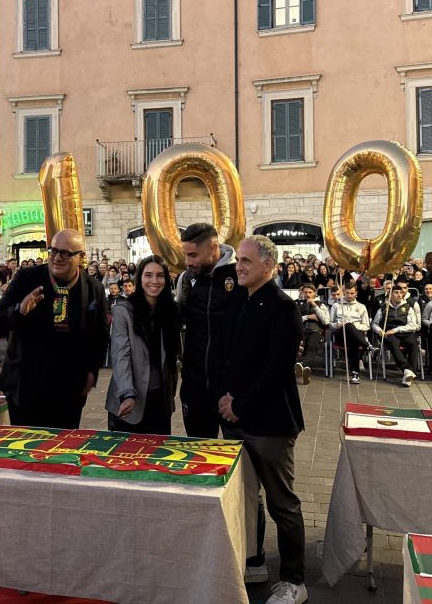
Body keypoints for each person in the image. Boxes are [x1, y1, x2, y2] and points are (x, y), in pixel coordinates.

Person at [216, 235, 307, 604]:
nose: (238, 266)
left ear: (268, 266)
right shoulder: (239, 298)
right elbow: (228, 353)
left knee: (281, 502)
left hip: (269, 423)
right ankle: (254, 561)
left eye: (246, 261)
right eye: (238, 259)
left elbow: (276, 369)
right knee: (245, 499)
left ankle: (294, 581)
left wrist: (239, 405)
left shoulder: (283, 308)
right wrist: (224, 399)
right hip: (234, 417)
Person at [0, 229, 108, 428]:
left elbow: (100, 335)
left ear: (81, 257)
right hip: (26, 388)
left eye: (66, 253)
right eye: (53, 251)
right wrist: (19, 311)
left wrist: (91, 371)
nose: (57, 258)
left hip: (69, 392)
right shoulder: (26, 279)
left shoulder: (93, 287)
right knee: (28, 454)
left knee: (62, 454)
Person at [175, 222, 237, 438]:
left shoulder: (239, 276)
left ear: (213, 248)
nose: (188, 262)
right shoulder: (186, 279)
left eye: (193, 255)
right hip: (195, 386)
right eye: (185, 255)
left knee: (239, 458)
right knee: (197, 453)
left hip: (231, 389)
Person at [104, 255, 180, 434]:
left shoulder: (171, 311)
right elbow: (120, 355)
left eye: (160, 275)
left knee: (157, 457)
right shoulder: (124, 311)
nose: (154, 281)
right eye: (148, 275)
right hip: (129, 401)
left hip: (160, 402)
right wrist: (127, 394)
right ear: (140, 278)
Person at [372, 283, 421, 387]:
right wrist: (380, 331)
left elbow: (413, 325)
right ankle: (406, 370)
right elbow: (374, 324)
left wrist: (396, 329)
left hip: (404, 332)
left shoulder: (408, 308)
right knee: (393, 343)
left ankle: (409, 371)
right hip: (389, 333)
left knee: (414, 344)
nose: (399, 295)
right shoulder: (383, 308)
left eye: (401, 293)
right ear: (390, 294)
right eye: (396, 292)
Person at [330, 281, 370, 385]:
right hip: (340, 335)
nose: (349, 295)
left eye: (352, 293)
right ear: (343, 292)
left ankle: (355, 374)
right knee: (348, 326)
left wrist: (353, 326)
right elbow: (330, 324)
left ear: (356, 293)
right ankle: (368, 346)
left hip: (356, 336)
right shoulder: (336, 306)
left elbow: (366, 326)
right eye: (347, 293)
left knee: (353, 336)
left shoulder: (361, 307)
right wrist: (337, 325)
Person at [294, 283, 329, 385]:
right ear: (302, 292)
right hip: (300, 330)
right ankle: (305, 369)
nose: (308, 294)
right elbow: (292, 319)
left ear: (314, 293)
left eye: (310, 292)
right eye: (305, 292)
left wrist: (314, 305)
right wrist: (307, 317)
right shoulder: (297, 304)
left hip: (315, 330)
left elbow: (326, 321)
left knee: (311, 346)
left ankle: (301, 364)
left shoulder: (320, 304)